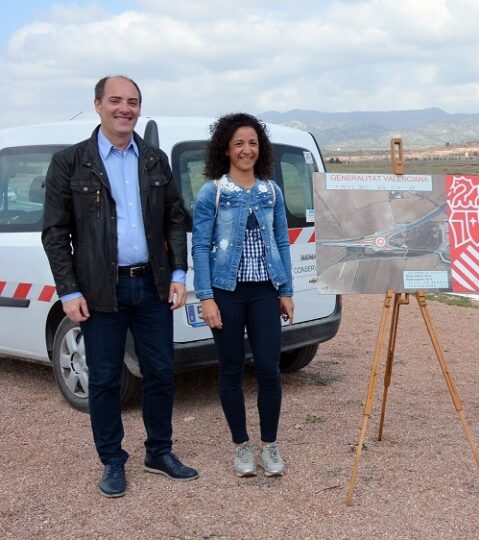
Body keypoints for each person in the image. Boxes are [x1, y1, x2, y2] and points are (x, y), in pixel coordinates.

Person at [41, 75, 197, 498]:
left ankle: (159, 452)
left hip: (151, 286)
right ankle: (112, 461)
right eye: (115, 100)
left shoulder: (154, 160)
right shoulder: (71, 162)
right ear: (98, 105)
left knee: (162, 373)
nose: (124, 108)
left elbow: (175, 218)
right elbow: (55, 233)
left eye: (132, 101)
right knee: (106, 379)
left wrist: (179, 273)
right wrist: (69, 291)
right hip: (99, 291)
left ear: (139, 108)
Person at [192, 113, 295, 478]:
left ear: (260, 148)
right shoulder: (213, 192)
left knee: (269, 369)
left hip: (266, 292)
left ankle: (270, 445)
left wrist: (286, 290)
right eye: (239, 143)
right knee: (231, 370)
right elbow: (200, 246)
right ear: (226, 149)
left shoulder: (271, 191)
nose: (246, 149)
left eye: (252, 143)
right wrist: (206, 297)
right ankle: (241, 447)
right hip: (227, 293)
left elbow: (282, 241)